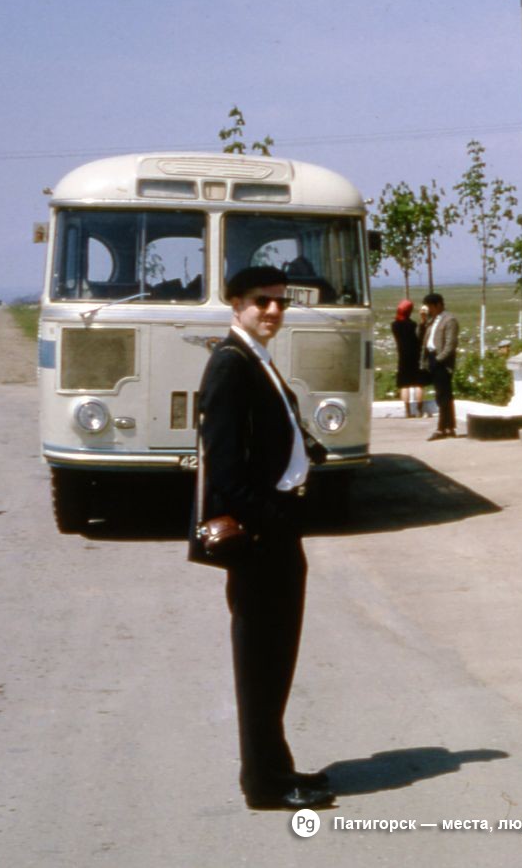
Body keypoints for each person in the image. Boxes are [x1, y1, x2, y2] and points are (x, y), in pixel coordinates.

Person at [196, 264, 333, 812]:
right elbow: (226, 472)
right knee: (260, 663)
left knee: (275, 661)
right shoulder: (231, 365)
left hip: (278, 527)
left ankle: (275, 768)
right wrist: (270, 522)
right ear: (235, 304)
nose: (273, 310)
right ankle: (265, 783)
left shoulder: (257, 358)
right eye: (261, 301)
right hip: (261, 537)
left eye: (281, 301)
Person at [420, 292, 458, 440]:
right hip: (431, 357)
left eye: (431, 306)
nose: (429, 309)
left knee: (443, 395)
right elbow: (421, 335)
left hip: (441, 361)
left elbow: (450, 344)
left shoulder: (449, 320)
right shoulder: (432, 320)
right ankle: (449, 427)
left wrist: (439, 359)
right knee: (442, 394)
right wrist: (423, 322)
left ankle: (442, 428)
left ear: (439, 305)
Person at [390, 298, 424, 418]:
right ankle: (419, 410)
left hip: (402, 354)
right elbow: (419, 337)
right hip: (415, 354)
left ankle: (408, 411)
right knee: (417, 383)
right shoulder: (413, 325)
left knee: (405, 383)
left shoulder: (394, 325)